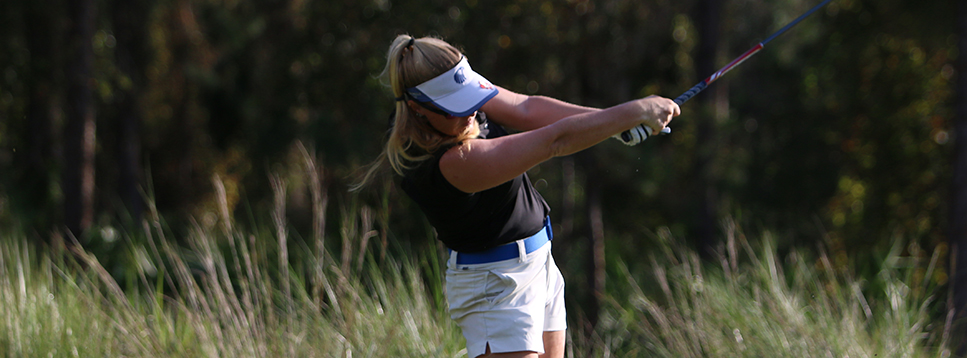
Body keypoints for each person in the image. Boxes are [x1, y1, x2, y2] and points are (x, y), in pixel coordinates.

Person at [355, 35, 680, 358]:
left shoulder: (446, 97)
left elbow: (527, 107)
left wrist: (615, 121)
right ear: (416, 108)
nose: (470, 111)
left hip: (539, 263)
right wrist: (630, 112)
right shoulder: (445, 163)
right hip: (496, 287)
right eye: (456, 106)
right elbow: (555, 141)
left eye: (470, 97)